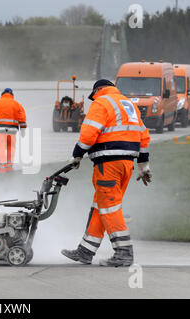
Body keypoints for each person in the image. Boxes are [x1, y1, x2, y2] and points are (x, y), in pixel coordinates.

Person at [61, 79, 152, 267]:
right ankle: (85, 251)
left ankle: (124, 253)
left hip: (108, 164)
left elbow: (88, 134)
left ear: (99, 90)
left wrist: (76, 156)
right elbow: (143, 136)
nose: (93, 100)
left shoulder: (102, 102)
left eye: (94, 96)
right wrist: (144, 166)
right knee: (101, 206)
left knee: (110, 208)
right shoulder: (128, 105)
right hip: (126, 165)